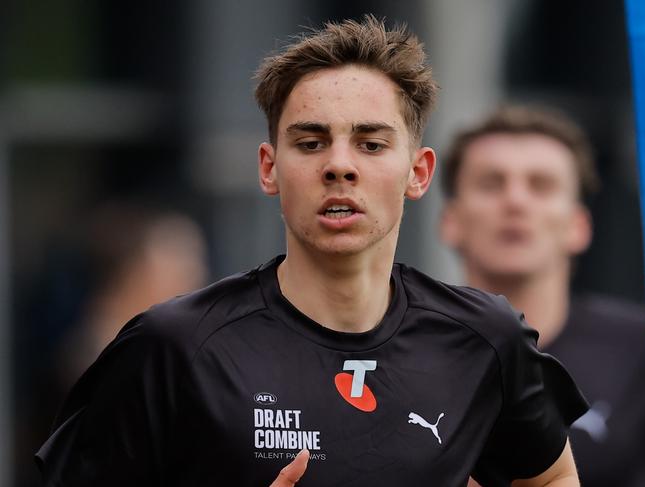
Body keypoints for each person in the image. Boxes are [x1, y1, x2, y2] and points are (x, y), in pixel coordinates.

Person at [36, 17, 588, 486]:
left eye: (371, 144)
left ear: (418, 173)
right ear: (269, 168)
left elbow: (553, 476)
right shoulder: (175, 346)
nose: (339, 165)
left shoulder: (485, 338)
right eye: (310, 142)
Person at [440, 105, 645, 487]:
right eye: (491, 183)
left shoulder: (640, 350)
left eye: (541, 185)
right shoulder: (400, 349)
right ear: (450, 222)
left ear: (579, 225)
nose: (515, 202)